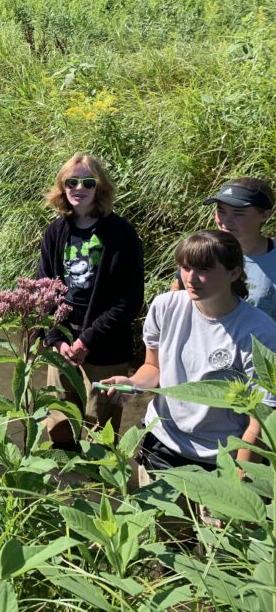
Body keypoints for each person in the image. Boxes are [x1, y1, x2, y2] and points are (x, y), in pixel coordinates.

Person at [101, 230, 276, 477]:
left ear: (234, 273)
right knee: (155, 517)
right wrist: (133, 383)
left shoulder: (260, 332)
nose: (191, 278)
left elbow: (262, 418)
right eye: (185, 267)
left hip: (221, 459)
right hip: (161, 444)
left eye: (204, 269)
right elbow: (154, 368)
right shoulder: (165, 306)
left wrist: (240, 478)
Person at [36, 154, 144, 450]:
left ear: (100, 188)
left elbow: (129, 299)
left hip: (107, 343)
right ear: (62, 186)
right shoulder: (56, 231)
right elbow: (43, 288)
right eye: (72, 182)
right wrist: (57, 338)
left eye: (87, 182)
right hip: (63, 342)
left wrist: (86, 341)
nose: (78, 188)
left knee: (102, 426)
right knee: (58, 419)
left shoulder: (122, 233)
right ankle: (63, 485)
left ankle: (100, 489)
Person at [171, 178, 276, 319]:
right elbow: (177, 291)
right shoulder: (205, 249)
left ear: (264, 215)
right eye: (221, 211)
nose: (225, 221)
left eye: (238, 213)